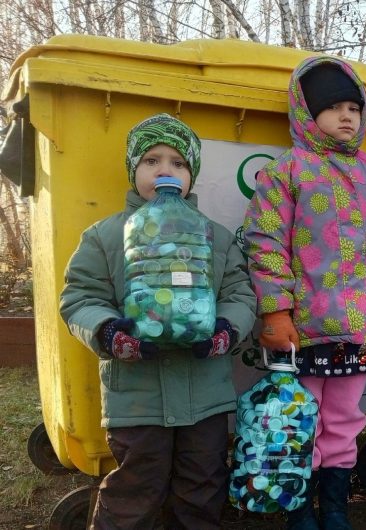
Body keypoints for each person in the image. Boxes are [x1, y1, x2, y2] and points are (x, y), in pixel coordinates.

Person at [242, 56, 366, 530]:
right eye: (334, 107)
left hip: (360, 331)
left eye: (354, 107)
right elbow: (265, 244)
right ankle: (299, 507)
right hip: (305, 331)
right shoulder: (287, 172)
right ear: (306, 111)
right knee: (300, 421)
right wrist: (275, 311)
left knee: (344, 418)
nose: (347, 116)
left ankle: (336, 507)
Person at [59, 113, 257, 529]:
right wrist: (108, 331)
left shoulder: (215, 237)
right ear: (134, 171)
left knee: (202, 485)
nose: (165, 170)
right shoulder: (106, 235)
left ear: (191, 176)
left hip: (204, 395)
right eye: (152, 160)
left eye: (178, 162)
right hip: (136, 397)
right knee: (135, 486)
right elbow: (81, 297)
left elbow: (240, 294)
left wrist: (226, 330)